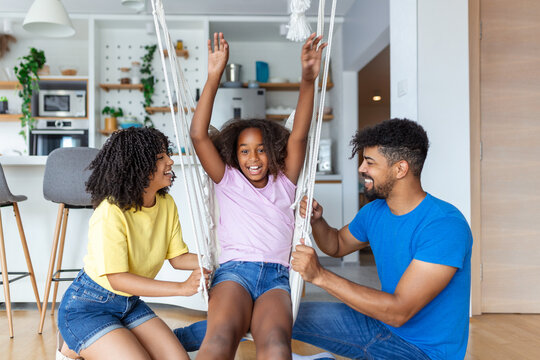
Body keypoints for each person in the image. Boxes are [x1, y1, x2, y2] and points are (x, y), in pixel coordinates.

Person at [175, 118, 473, 360]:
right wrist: (317, 221)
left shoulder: (444, 225)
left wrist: (320, 276)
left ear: (400, 168)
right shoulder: (375, 212)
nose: (361, 169)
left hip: (419, 352)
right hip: (373, 325)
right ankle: (172, 339)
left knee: (274, 320)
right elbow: (336, 244)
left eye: (369, 162)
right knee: (274, 315)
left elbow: (399, 311)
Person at [187, 32, 325, 359]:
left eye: (261, 150)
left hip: (276, 279)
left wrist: (308, 79)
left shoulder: (285, 180)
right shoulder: (227, 179)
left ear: (273, 151)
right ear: (234, 155)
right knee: (219, 340)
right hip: (234, 273)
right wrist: (213, 77)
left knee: (277, 346)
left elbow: (301, 135)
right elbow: (197, 134)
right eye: (245, 151)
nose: (253, 158)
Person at [57, 127, 210, 360]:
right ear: (137, 167)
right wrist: (181, 288)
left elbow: (178, 258)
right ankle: (77, 342)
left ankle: (86, 345)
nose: (170, 161)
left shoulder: (166, 203)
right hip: (88, 307)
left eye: (167, 154)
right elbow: (117, 278)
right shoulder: (110, 212)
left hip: (128, 303)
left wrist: (218, 260)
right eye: (160, 158)